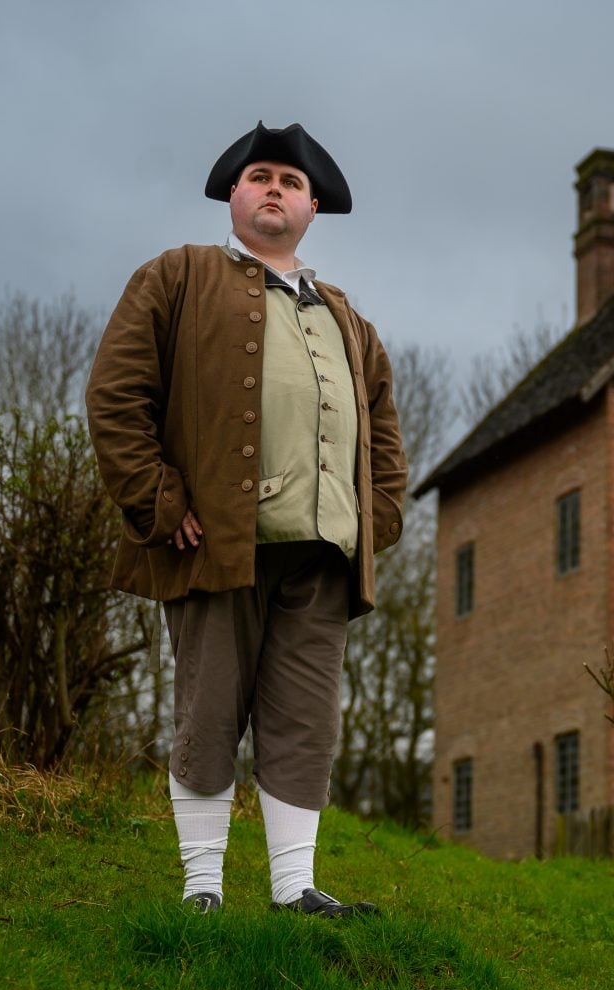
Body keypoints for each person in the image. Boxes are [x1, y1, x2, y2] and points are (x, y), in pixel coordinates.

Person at [86, 122, 407, 916]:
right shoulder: (177, 276)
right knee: (209, 710)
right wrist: (158, 502)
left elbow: (386, 439)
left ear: (311, 208)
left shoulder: (348, 319)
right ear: (233, 195)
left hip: (323, 554)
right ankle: (202, 888)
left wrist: (374, 525)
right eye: (260, 176)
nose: (275, 189)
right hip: (217, 543)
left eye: (291, 183)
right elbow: (116, 395)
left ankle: (296, 890)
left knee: (305, 723)